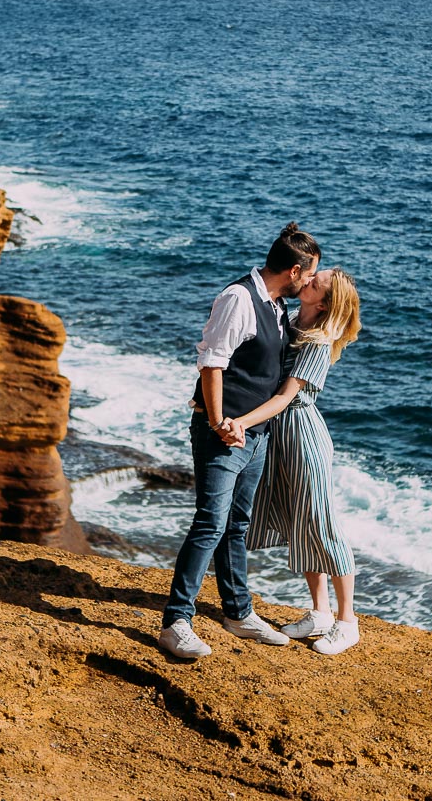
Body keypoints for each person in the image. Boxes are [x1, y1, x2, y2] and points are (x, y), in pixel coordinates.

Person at [158, 223, 321, 660]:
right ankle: (176, 621)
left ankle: (238, 612)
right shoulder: (239, 298)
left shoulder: (273, 304)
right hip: (223, 433)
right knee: (211, 522)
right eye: (309, 275)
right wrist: (218, 423)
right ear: (293, 270)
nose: (308, 282)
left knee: (237, 524)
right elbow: (211, 364)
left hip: (254, 433)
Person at [238, 267, 363, 655]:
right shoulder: (290, 321)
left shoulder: (319, 341)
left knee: (322, 524)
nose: (305, 279)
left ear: (323, 302)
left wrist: (238, 421)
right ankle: (320, 613)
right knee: (299, 522)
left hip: (302, 432)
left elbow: (284, 397)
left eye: (314, 282)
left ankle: (348, 622)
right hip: (279, 435)